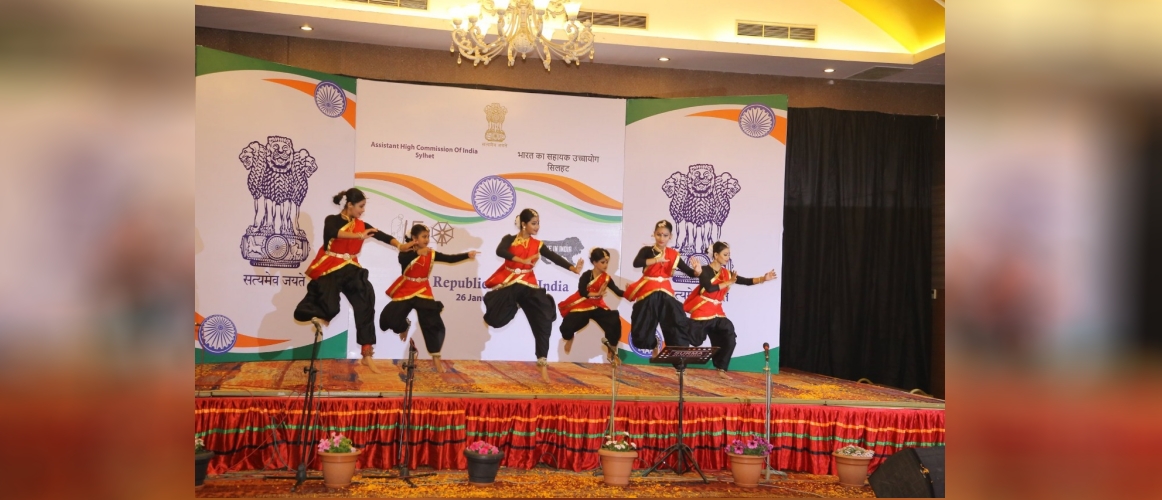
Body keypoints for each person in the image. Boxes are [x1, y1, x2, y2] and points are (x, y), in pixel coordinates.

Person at [293, 188, 417, 374]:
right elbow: (334, 233)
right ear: (349, 205)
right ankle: (314, 312)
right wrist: (359, 236)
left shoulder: (361, 225)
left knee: (366, 299)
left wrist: (400, 245)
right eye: (360, 206)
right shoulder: (332, 220)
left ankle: (367, 353)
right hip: (331, 266)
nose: (362, 210)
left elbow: (380, 234)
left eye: (364, 206)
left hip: (350, 267)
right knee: (330, 307)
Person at [482, 208, 583, 382]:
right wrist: (521, 261)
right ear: (524, 224)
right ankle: (512, 304)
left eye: (538, 223)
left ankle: (542, 364)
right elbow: (500, 251)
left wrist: (572, 268)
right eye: (533, 223)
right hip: (511, 282)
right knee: (495, 319)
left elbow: (553, 256)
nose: (537, 227)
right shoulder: (509, 240)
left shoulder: (538, 245)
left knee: (543, 321)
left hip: (528, 284)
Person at [379, 224, 479, 373]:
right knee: (388, 318)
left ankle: (436, 360)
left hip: (423, 290)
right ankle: (403, 325)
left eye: (428, 236)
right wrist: (419, 252)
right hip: (406, 289)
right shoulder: (404, 253)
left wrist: (467, 255)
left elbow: (449, 259)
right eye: (424, 236)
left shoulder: (431, 253)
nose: (427, 239)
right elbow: (407, 258)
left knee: (433, 324)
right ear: (414, 239)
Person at [683, 241, 777, 376]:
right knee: (694, 340)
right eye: (725, 254)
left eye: (729, 255)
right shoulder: (704, 271)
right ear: (716, 255)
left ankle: (721, 368)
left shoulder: (727, 274)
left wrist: (763, 278)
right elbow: (709, 289)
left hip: (717, 312)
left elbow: (745, 281)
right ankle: (680, 363)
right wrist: (729, 282)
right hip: (703, 310)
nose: (727, 258)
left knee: (729, 335)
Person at [624, 220, 702, 357]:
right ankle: (653, 343)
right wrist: (656, 260)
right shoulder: (647, 250)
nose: (662, 238)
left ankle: (679, 362)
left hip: (666, 293)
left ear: (670, 236)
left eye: (665, 235)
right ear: (654, 234)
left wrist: (697, 271)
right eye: (659, 234)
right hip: (648, 292)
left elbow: (689, 272)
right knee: (641, 331)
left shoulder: (673, 254)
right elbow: (637, 263)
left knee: (677, 323)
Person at [557, 248, 624, 365]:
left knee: (613, 321)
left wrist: (632, 291)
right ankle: (569, 337)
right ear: (594, 263)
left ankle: (611, 349)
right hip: (583, 304)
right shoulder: (587, 275)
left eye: (607, 262)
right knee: (566, 327)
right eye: (603, 262)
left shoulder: (606, 278)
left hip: (597, 306)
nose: (606, 265)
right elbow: (582, 291)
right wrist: (597, 294)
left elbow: (618, 292)